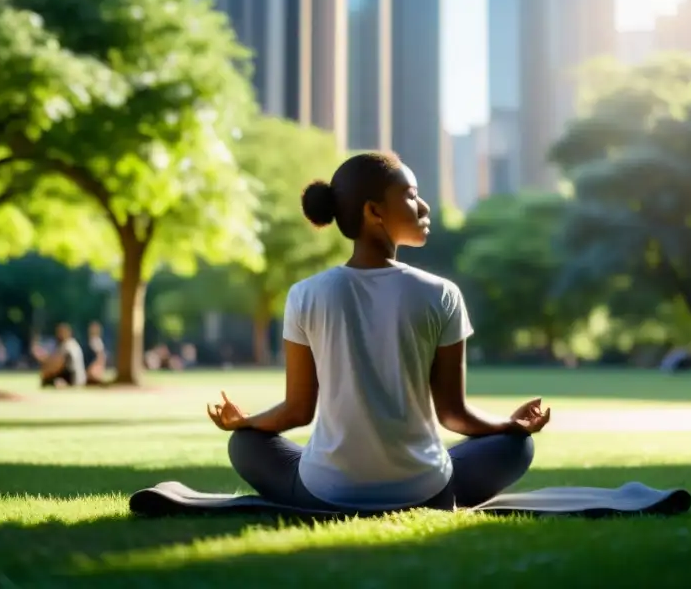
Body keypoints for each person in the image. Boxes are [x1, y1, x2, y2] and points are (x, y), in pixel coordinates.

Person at [207, 152, 551, 513]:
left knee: (244, 443)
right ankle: (434, 486)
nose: (424, 206)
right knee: (517, 446)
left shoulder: (305, 294)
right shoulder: (441, 293)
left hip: (326, 491)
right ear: (374, 212)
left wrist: (245, 422)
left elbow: (297, 411)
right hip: (426, 491)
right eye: (411, 194)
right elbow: (455, 415)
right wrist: (511, 426)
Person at [38, 323, 86, 388]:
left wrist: (46, 372)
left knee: (47, 380)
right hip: (78, 378)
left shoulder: (67, 345)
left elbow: (58, 364)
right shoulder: (71, 344)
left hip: (73, 378)